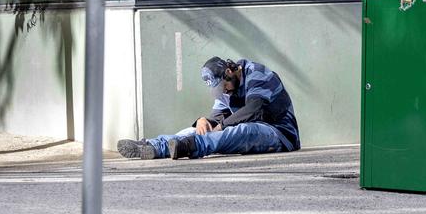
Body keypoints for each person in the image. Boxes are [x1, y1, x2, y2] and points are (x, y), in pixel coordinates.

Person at [116, 56, 300, 160]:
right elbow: (217, 118)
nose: (224, 91)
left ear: (229, 72)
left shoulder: (257, 74)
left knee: (244, 129)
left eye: (223, 86)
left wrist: (221, 126)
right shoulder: (226, 88)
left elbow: (254, 109)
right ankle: (155, 146)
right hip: (247, 128)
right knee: (200, 129)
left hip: (279, 134)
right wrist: (203, 121)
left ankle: (189, 146)